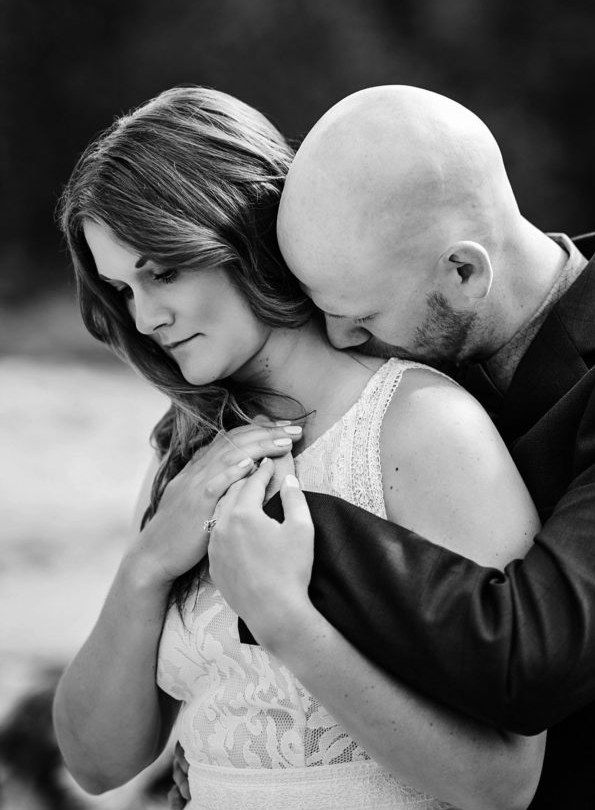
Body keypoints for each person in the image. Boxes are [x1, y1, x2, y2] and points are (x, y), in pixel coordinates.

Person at [52, 85, 545, 810]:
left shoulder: (421, 426)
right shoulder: (189, 451)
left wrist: (286, 622)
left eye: (163, 271)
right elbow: (97, 764)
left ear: (241, 230)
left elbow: (502, 783)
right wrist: (149, 564)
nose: (148, 317)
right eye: (122, 290)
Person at [209, 85, 595, 810]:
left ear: (463, 272)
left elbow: (537, 656)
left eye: (356, 315)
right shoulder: (422, 376)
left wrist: (291, 514)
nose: (338, 341)